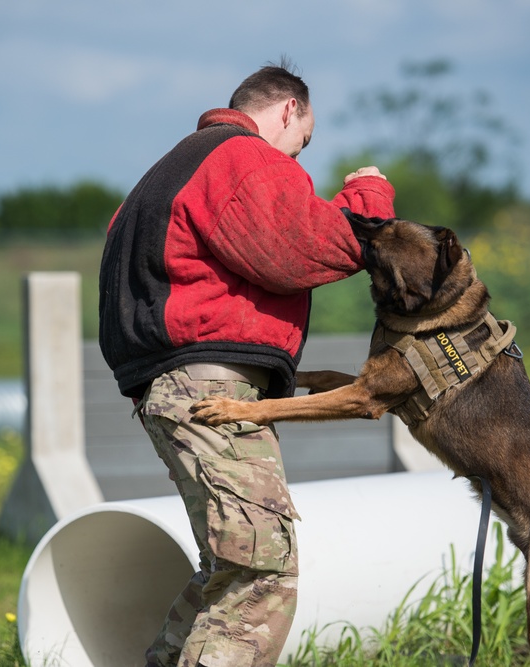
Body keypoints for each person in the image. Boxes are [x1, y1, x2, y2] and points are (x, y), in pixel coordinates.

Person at [98, 59, 396, 667]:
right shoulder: (242, 156)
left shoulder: (163, 173)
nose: (297, 161)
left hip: (167, 387)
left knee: (229, 567)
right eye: (302, 143)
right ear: (289, 110)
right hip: (208, 383)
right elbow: (304, 246)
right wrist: (368, 197)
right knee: (260, 573)